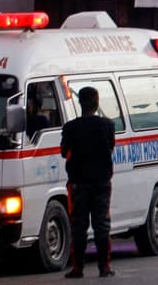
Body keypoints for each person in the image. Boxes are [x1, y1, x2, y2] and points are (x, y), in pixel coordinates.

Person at [61, 86, 116, 279]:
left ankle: (78, 268)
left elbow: (64, 152)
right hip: (102, 182)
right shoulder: (108, 125)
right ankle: (104, 267)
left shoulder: (70, 128)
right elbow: (110, 147)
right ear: (97, 102)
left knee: (79, 226)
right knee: (102, 225)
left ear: (80, 102)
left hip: (78, 184)